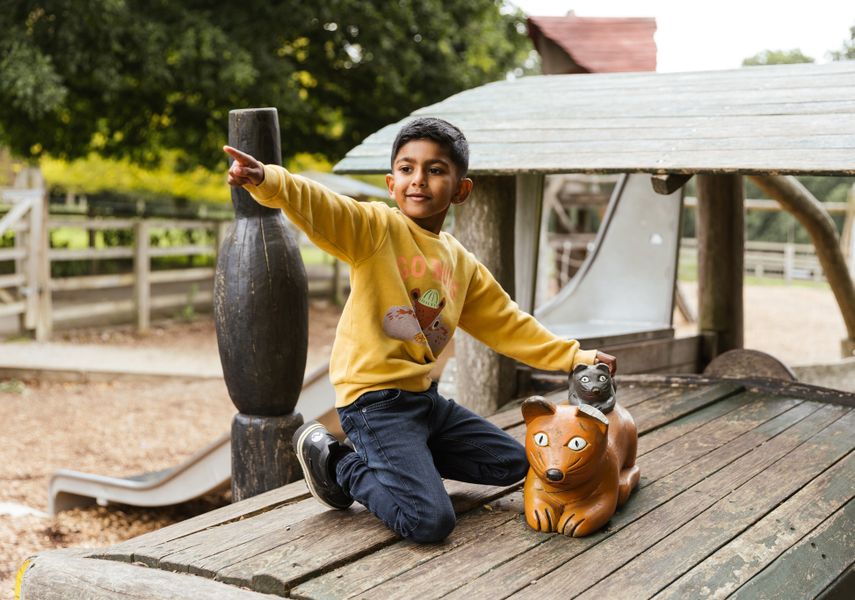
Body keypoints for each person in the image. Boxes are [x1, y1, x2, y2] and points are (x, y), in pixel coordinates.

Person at [224, 117, 616, 543]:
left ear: (461, 189)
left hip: (427, 405)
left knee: (522, 464)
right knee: (429, 521)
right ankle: (338, 463)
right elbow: (325, 206)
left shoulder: (460, 263)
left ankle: (409, 462)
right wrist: (269, 180)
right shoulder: (376, 230)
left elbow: (509, 325)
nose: (419, 181)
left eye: (435, 170)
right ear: (392, 184)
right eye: (407, 169)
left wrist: (575, 357)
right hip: (374, 404)